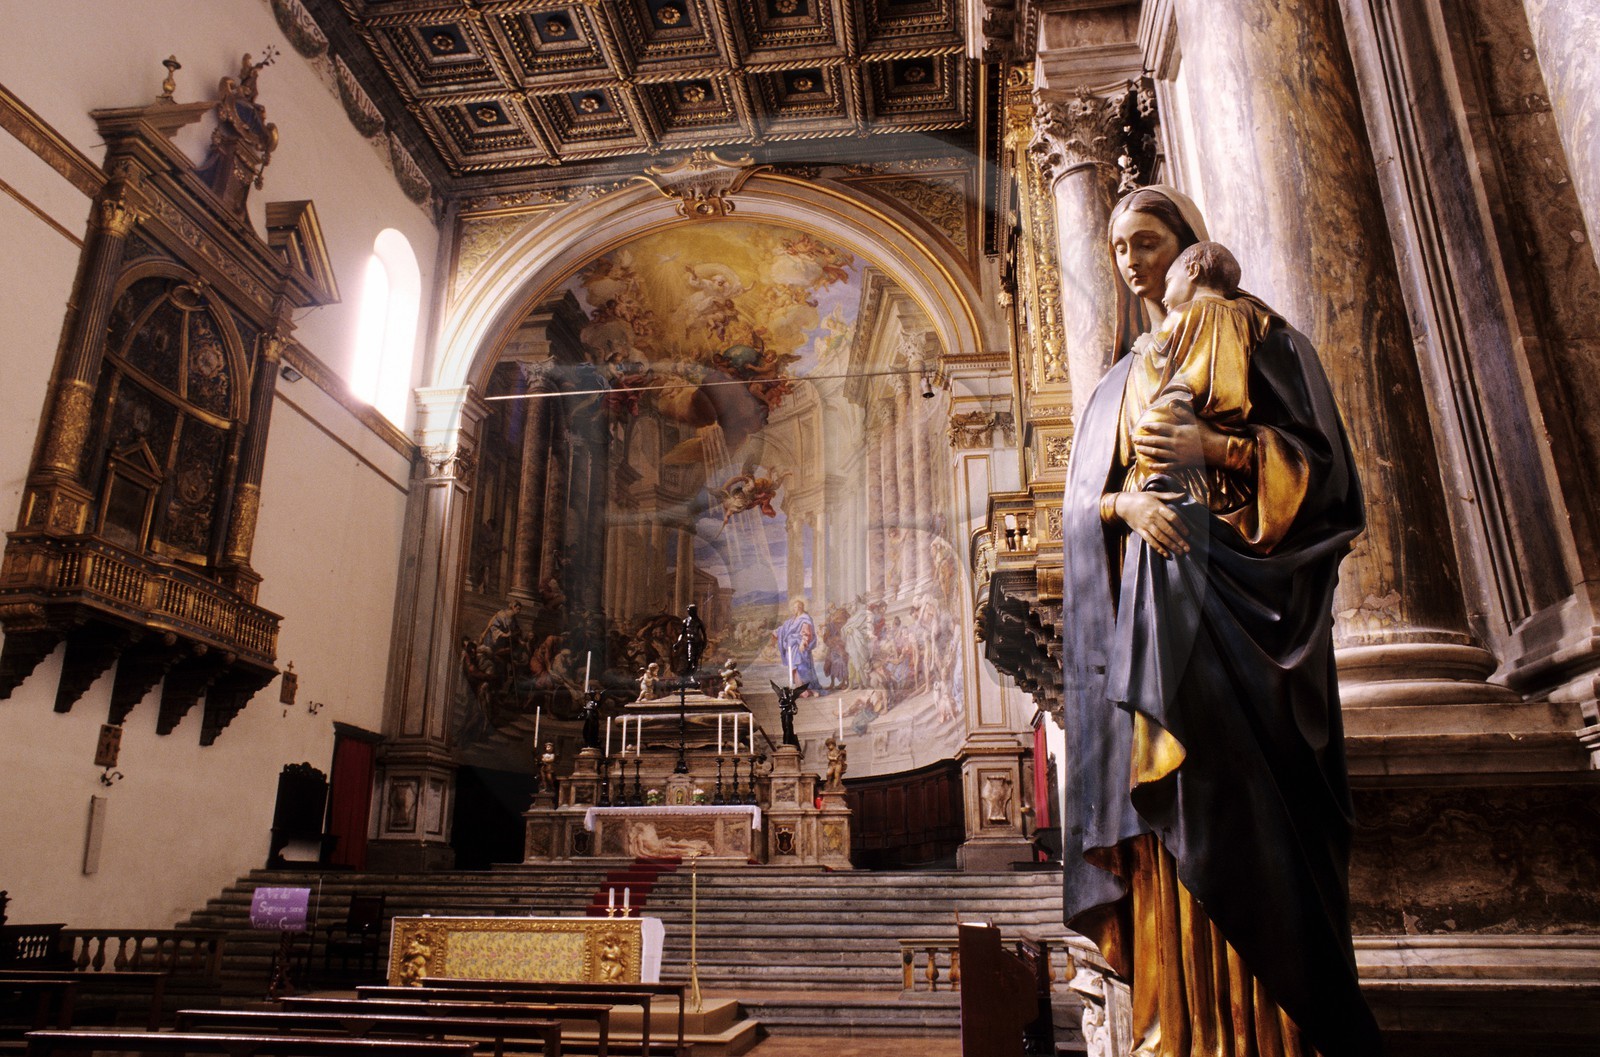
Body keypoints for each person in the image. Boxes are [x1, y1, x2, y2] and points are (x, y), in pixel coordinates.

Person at [1060, 186, 1378, 1057]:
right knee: (1172, 816)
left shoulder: (1262, 336)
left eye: (1149, 240)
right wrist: (1124, 504)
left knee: (1250, 816)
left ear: (1188, 245)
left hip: (1249, 618)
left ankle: (1274, 1034)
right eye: (1121, 247)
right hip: (1156, 629)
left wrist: (1221, 449)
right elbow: (1082, 506)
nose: (1132, 260)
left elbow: (1331, 478)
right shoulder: (1116, 384)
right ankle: (1178, 1036)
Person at [773, 598, 819, 694]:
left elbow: (807, 633)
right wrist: (777, 631)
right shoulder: (792, 620)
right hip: (792, 648)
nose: (796, 608)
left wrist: (803, 642)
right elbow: (784, 628)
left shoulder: (805, 618)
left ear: (802, 607)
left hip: (800, 646)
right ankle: (801, 689)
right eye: (794, 607)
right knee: (794, 668)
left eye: (798, 606)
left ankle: (810, 689)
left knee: (802, 667)